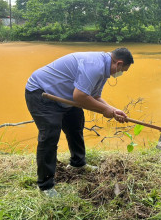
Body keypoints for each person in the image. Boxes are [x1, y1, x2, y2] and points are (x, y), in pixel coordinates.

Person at [25, 48, 134, 197]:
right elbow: (80, 96)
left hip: (65, 96)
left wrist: (113, 110)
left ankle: (78, 164)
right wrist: (104, 111)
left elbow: (94, 96)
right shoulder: (95, 66)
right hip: (42, 93)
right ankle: (45, 186)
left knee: (75, 126)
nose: (120, 74)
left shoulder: (104, 70)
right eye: (123, 70)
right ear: (119, 63)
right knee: (50, 136)